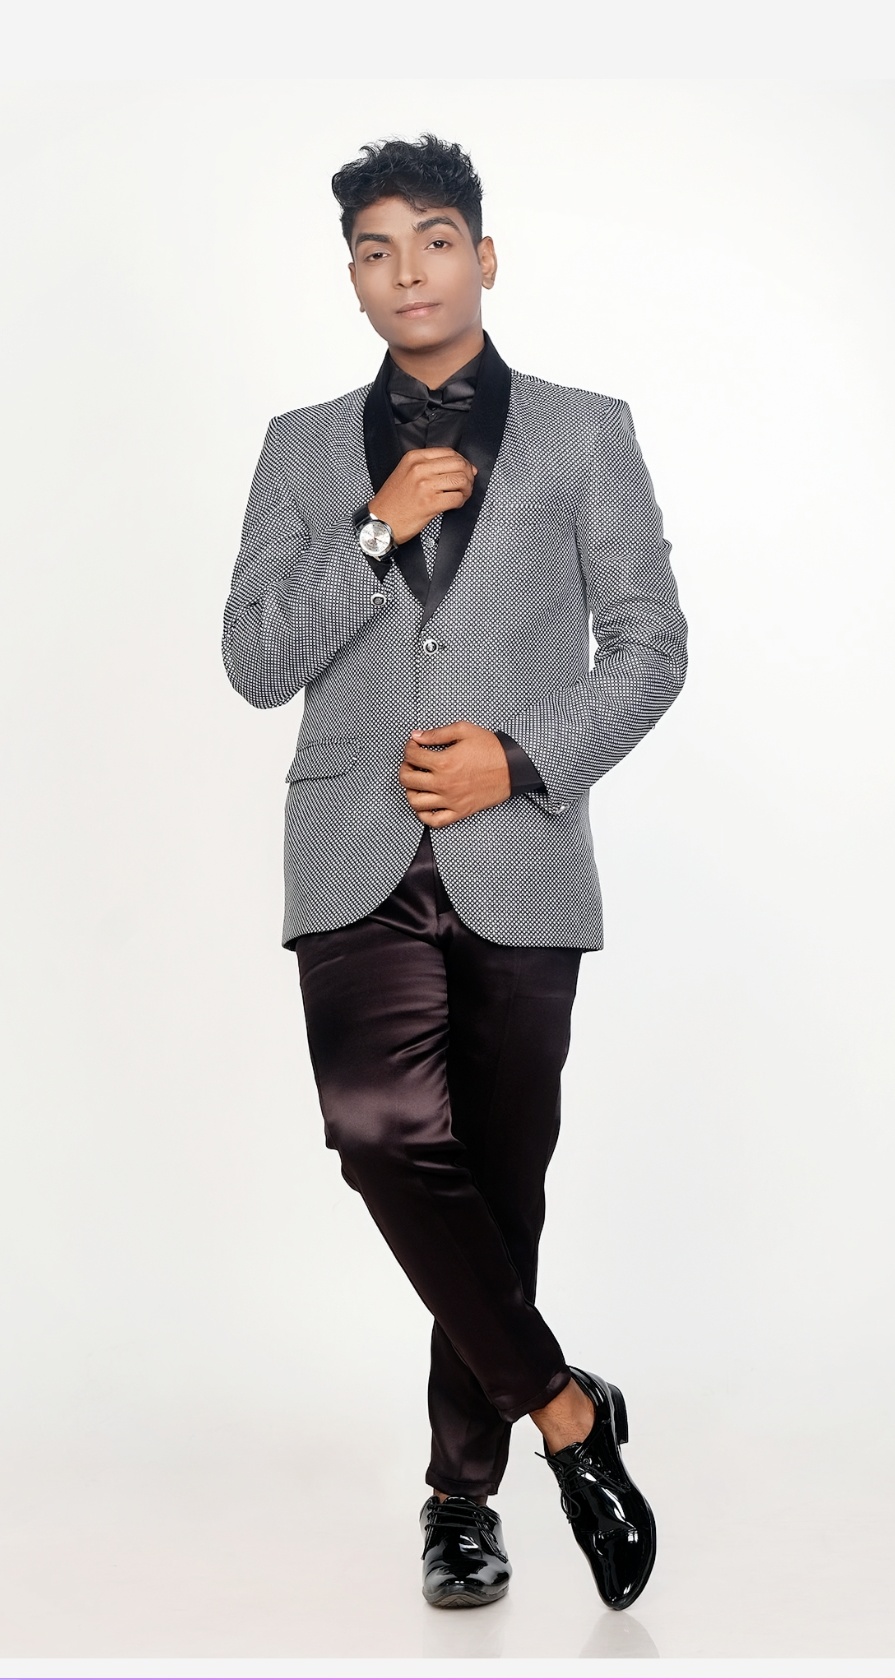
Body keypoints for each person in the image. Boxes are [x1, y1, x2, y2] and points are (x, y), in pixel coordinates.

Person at [221, 133, 687, 1613]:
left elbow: (651, 648)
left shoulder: (585, 433)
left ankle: (458, 1500)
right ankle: (568, 1415)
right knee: (377, 1131)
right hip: (350, 850)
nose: (406, 271)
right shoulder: (302, 448)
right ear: (352, 279)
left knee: (495, 1187)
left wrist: (520, 757)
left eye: (433, 240)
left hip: (520, 855)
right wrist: (377, 530)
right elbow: (254, 661)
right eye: (376, 250)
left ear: (483, 257)